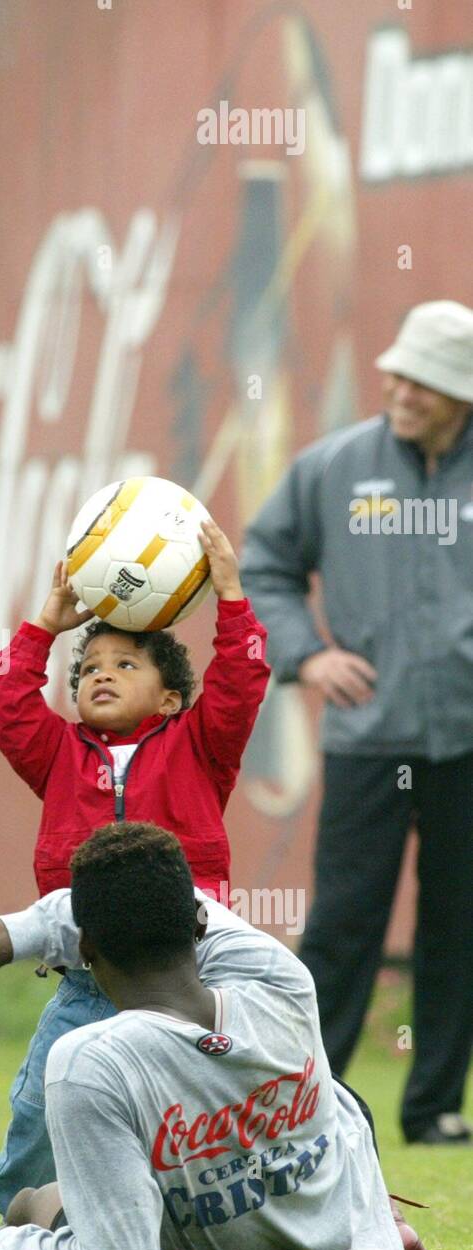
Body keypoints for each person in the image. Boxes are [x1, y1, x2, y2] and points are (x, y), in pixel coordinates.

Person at [0, 823, 424, 1250]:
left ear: (84, 947)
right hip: (343, 1234)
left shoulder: (88, 1062)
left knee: (35, 1201)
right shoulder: (281, 977)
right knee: (340, 1097)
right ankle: (380, 1214)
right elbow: (171, 903)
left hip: (210, 1244)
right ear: (198, 922)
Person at [0, 519, 269, 1211]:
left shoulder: (200, 745)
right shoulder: (57, 754)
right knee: (42, 1104)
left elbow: (241, 679)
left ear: (170, 699)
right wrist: (44, 626)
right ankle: (27, 1211)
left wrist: (230, 594)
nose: (100, 674)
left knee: (218, 1102)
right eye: (88, 670)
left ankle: (262, 1197)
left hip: (187, 979)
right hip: (89, 982)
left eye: (125, 665)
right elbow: (6, 704)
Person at [240, 300, 473, 1147]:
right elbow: (263, 564)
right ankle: (315, 1106)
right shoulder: (332, 468)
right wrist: (307, 655)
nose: (403, 391)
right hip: (369, 740)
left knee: (461, 927)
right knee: (343, 927)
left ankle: (434, 1108)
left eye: (427, 382)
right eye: (398, 374)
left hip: (467, 744)